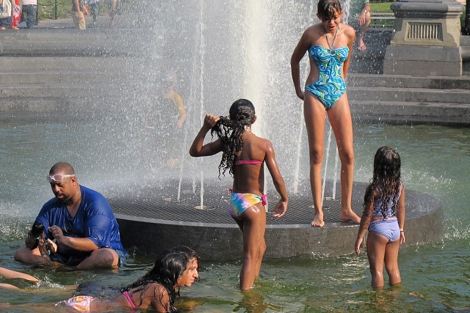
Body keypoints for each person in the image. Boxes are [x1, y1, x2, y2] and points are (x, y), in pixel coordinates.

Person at [189, 99, 288, 290]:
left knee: (261, 247)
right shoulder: (263, 145)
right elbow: (277, 179)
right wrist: (284, 199)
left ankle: (254, 282)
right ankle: (247, 298)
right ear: (255, 119)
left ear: (232, 119)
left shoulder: (229, 142)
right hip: (252, 204)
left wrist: (205, 128)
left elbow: (196, 151)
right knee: (250, 256)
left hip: (235, 203)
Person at [290, 0, 360, 227]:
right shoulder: (311, 34)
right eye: (327, 18)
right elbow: (294, 59)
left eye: (336, 17)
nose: (332, 22)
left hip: (338, 93)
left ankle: (346, 209)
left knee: (348, 153)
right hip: (315, 93)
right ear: (319, 15)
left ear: (341, 14)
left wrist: (342, 82)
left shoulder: (349, 33)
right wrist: (298, 89)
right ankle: (318, 212)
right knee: (317, 153)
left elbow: (347, 58)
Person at [14, 162, 128, 269]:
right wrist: (34, 238)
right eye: (53, 186)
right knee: (21, 254)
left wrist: (64, 240)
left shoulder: (96, 203)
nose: (56, 190)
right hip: (64, 256)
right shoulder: (50, 207)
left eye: (60, 185)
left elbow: (95, 243)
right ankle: (58, 266)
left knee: (106, 257)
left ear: (73, 180)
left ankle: (73, 271)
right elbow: (33, 243)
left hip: (96, 254)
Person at [354, 146, 406, 288]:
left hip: (378, 230)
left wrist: (360, 236)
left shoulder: (374, 189)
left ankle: (379, 303)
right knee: (393, 268)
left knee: (377, 271)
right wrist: (401, 229)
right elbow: (401, 208)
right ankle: (395, 297)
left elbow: (367, 215)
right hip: (394, 228)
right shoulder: (400, 186)